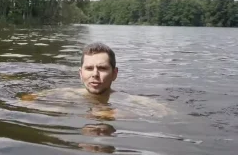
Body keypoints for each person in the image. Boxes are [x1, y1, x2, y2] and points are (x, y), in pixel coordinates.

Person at [20, 42, 174, 120]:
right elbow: (25, 101)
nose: (95, 74)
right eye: (89, 68)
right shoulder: (65, 93)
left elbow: (168, 114)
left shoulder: (130, 100)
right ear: (80, 74)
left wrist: (118, 114)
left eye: (102, 68)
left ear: (115, 74)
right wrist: (60, 110)